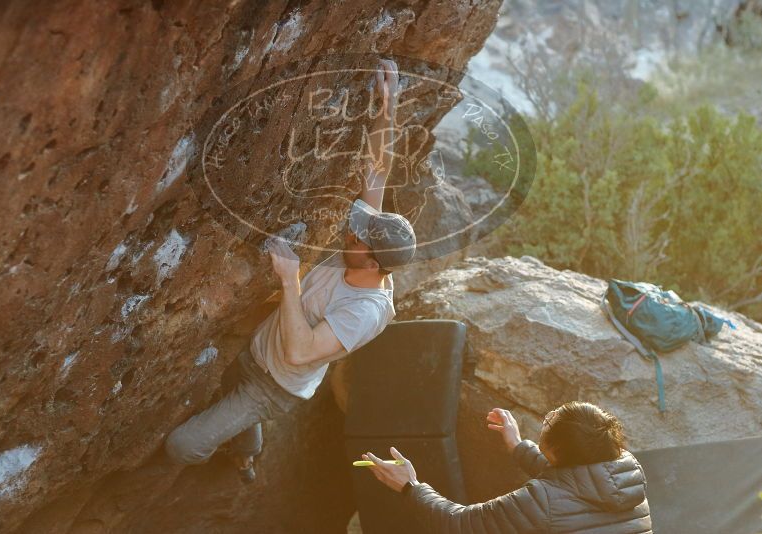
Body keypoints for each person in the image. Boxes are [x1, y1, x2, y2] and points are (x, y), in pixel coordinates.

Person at [165, 59, 417, 483]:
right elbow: (377, 170)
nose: (348, 233)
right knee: (230, 388)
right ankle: (245, 449)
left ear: (374, 264)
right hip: (258, 348)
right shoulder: (369, 251)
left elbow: (300, 352)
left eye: (357, 239)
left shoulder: (364, 311)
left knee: (182, 446)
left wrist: (289, 277)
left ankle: (242, 457)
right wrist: (386, 107)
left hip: (274, 387)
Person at [362, 401, 653, 533]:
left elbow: (459, 523)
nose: (548, 415)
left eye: (551, 421)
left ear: (557, 450)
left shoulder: (540, 500)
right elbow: (569, 483)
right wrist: (517, 444)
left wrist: (409, 486)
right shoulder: (623, 472)